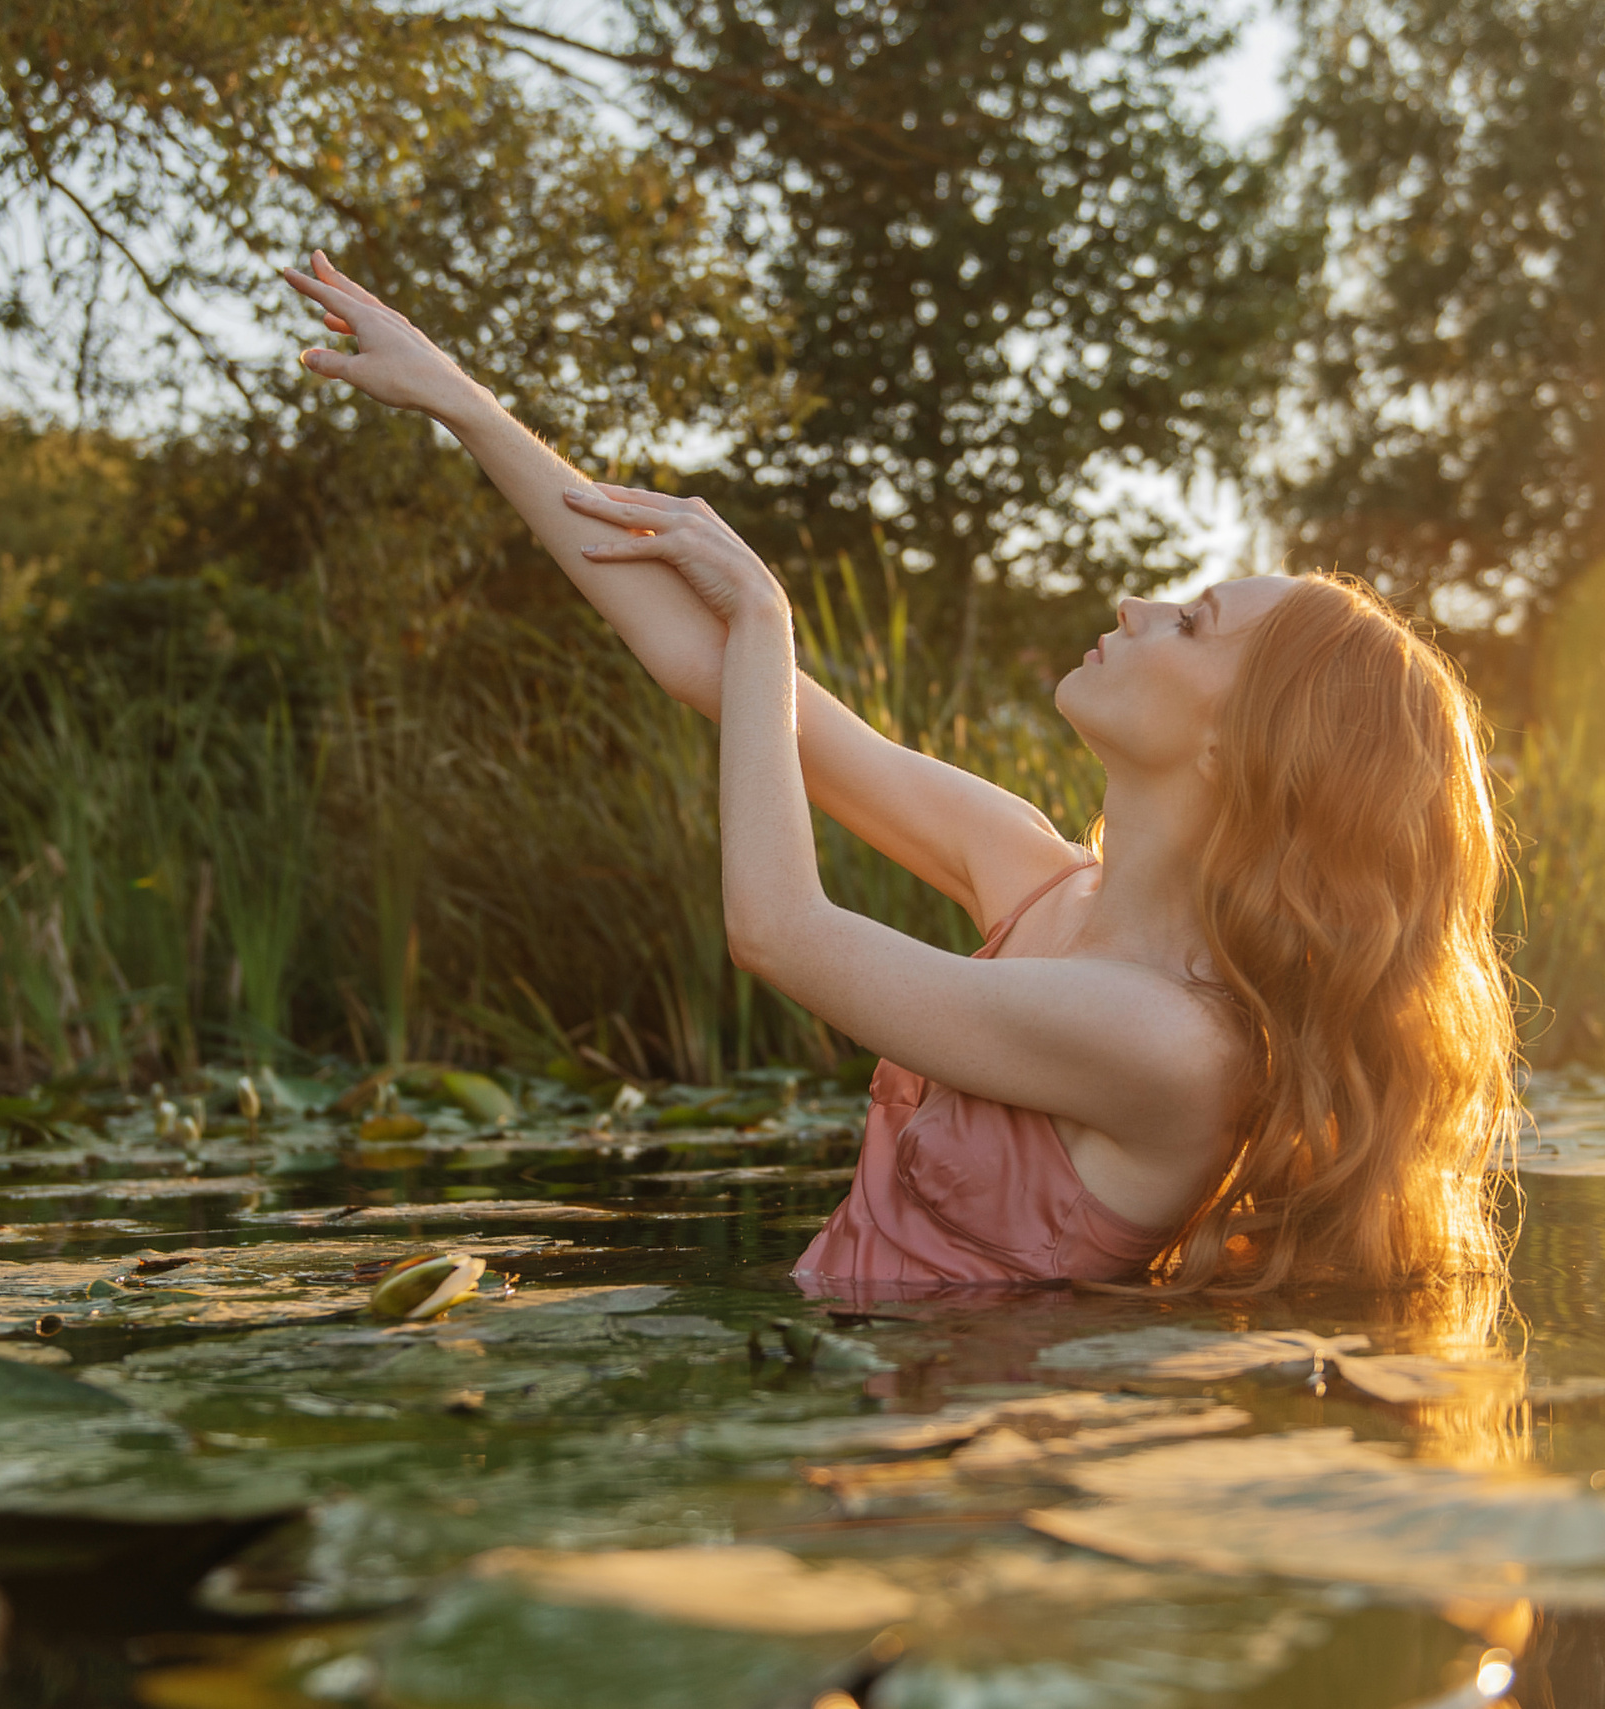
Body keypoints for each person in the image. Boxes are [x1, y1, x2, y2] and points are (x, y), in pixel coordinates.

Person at [282, 252, 1519, 1295]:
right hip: (839, 1397)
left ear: (1237, 748)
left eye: (1192, 622)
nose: (1139, 604)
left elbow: (777, 928)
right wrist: (460, 402)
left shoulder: (1173, 1042)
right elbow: (699, 666)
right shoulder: (1037, 879)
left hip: (938, 1486)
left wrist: (769, 617)